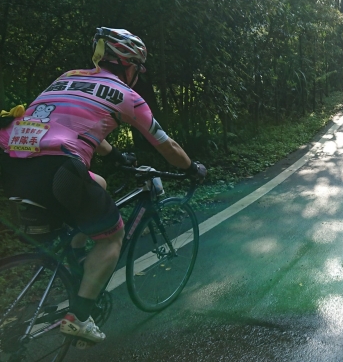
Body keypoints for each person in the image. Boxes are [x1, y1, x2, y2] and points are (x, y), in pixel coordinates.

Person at [0, 27, 207, 344]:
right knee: (113, 237)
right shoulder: (127, 97)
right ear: (129, 65)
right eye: (138, 67)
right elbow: (166, 145)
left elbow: (65, 126)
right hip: (58, 171)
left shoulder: (68, 77)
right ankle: (79, 317)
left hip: (13, 165)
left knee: (98, 182)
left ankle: (78, 252)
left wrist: (113, 154)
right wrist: (192, 167)